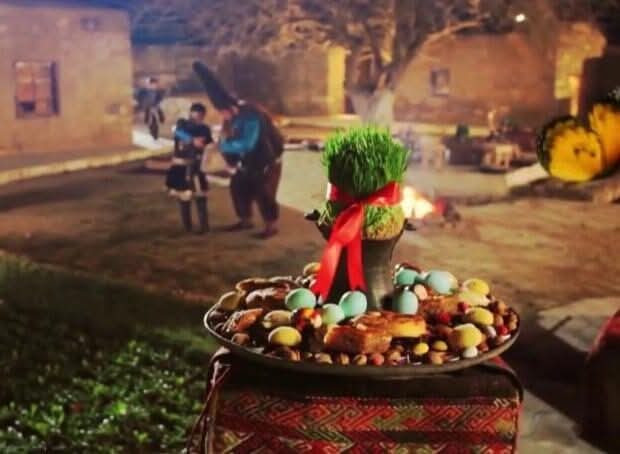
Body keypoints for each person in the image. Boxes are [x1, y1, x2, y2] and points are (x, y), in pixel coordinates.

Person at [193, 62, 284, 239]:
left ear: (230, 107)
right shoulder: (232, 118)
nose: (222, 115)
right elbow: (229, 139)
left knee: (263, 192)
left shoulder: (251, 116)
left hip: (267, 160)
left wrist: (222, 146)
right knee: (238, 187)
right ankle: (245, 220)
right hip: (247, 162)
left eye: (222, 111)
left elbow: (247, 143)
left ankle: (271, 225)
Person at [165, 103, 213, 234]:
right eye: (196, 114)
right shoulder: (182, 124)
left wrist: (208, 147)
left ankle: (204, 226)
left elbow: (209, 144)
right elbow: (178, 132)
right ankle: (187, 227)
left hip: (197, 166)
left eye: (201, 115)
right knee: (184, 196)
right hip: (181, 166)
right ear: (191, 113)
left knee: (201, 196)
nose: (198, 117)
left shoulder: (205, 129)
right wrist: (192, 140)